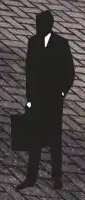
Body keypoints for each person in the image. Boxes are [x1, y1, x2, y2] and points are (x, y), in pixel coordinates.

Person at [24, 10, 75, 190]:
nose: (37, 28)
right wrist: (29, 97)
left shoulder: (61, 44)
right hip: (37, 99)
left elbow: (69, 72)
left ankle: (56, 177)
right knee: (34, 139)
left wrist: (61, 93)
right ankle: (31, 177)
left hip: (53, 100)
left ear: (48, 26)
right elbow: (29, 72)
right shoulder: (33, 42)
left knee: (54, 140)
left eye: (40, 25)